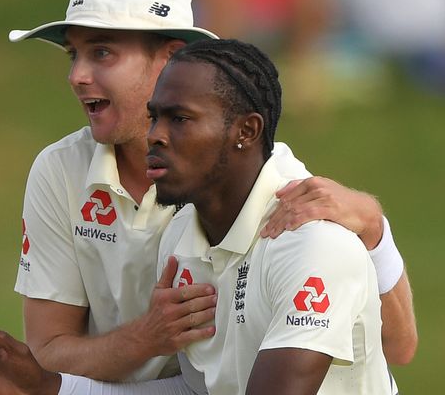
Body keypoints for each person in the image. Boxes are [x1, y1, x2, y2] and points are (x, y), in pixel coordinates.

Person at [0, 0, 416, 394]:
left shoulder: (284, 207)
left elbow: (397, 344)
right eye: (73, 55)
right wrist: (131, 345)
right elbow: (191, 386)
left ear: (171, 59)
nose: (77, 76)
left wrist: (373, 230)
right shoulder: (96, 189)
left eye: (102, 52)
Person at [150, 38, 397, 394]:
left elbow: (402, 348)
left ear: (246, 131)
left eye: (180, 119)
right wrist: (57, 387)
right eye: (153, 118)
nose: (154, 136)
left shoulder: (312, 243)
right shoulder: (179, 236)